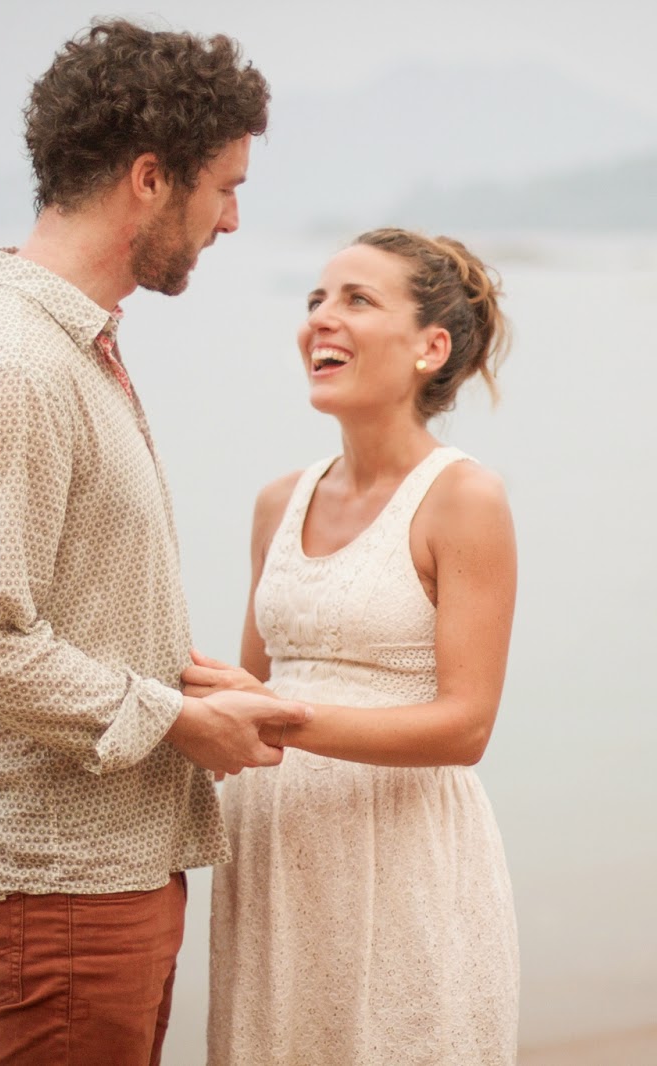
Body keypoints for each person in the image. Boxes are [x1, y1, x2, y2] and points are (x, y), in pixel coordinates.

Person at [0, 20, 310, 1066]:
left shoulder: (70, 347)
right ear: (146, 177)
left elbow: (62, 611)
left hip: (100, 870)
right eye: (223, 187)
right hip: (58, 877)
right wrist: (177, 720)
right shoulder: (18, 366)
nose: (228, 220)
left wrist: (190, 691)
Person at [184, 228, 519, 1064]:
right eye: (315, 301)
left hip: (403, 861)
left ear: (428, 348)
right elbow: (246, 698)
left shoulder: (464, 499)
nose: (321, 320)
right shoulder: (277, 503)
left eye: (357, 301)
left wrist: (279, 719)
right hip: (273, 863)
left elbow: (465, 727)